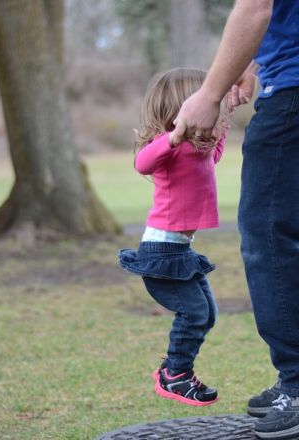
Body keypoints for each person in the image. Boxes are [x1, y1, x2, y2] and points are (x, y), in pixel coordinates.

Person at [170, 0, 299, 438]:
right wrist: (250, 60)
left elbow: (255, 7)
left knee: (270, 232)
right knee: (297, 229)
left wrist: (209, 95)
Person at [118, 68, 232, 407]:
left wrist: (226, 118)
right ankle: (175, 374)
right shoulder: (166, 148)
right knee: (195, 313)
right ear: (182, 109)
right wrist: (173, 137)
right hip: (161, 252)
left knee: (207, 313)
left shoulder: (197, 150)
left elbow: (214, 155)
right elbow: (141, 163)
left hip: (180, 251)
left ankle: (176, 370)